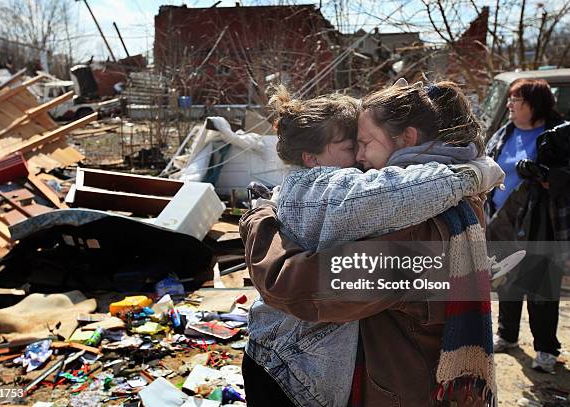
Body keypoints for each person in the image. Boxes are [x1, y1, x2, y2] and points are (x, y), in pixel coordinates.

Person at [242, 81, 503, 407]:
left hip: (399, 391)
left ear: (407, 139)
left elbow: (291, 285)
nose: (359, 158)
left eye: (363, 143)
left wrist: (260, 217)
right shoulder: (455, 202)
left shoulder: (414, 226)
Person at [486, 78, 568, 373]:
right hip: (501, 220)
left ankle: (546, 348)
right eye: (509, 99)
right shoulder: (504, 132)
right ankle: (507, 334)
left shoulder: (559, 135)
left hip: (540, 223)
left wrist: (547, 177)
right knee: (506, 280)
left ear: (535, 105)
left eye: (515, 100)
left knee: (540, 287)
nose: (509, 105)